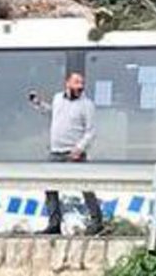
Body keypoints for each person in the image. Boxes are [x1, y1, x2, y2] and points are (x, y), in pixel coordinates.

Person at [27, 72, 103, 236]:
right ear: (67, 83)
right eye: (76, 82)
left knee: (85, 187)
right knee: (50, 187)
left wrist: (79, 149)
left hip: (74, 153)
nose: (80, 86)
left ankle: (97, 222)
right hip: (56, 151)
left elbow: (91, 131)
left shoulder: (87, 105)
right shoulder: (57, 98)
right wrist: (38, 103)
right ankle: (54, 224)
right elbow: (52, 113)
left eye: (81, 83)